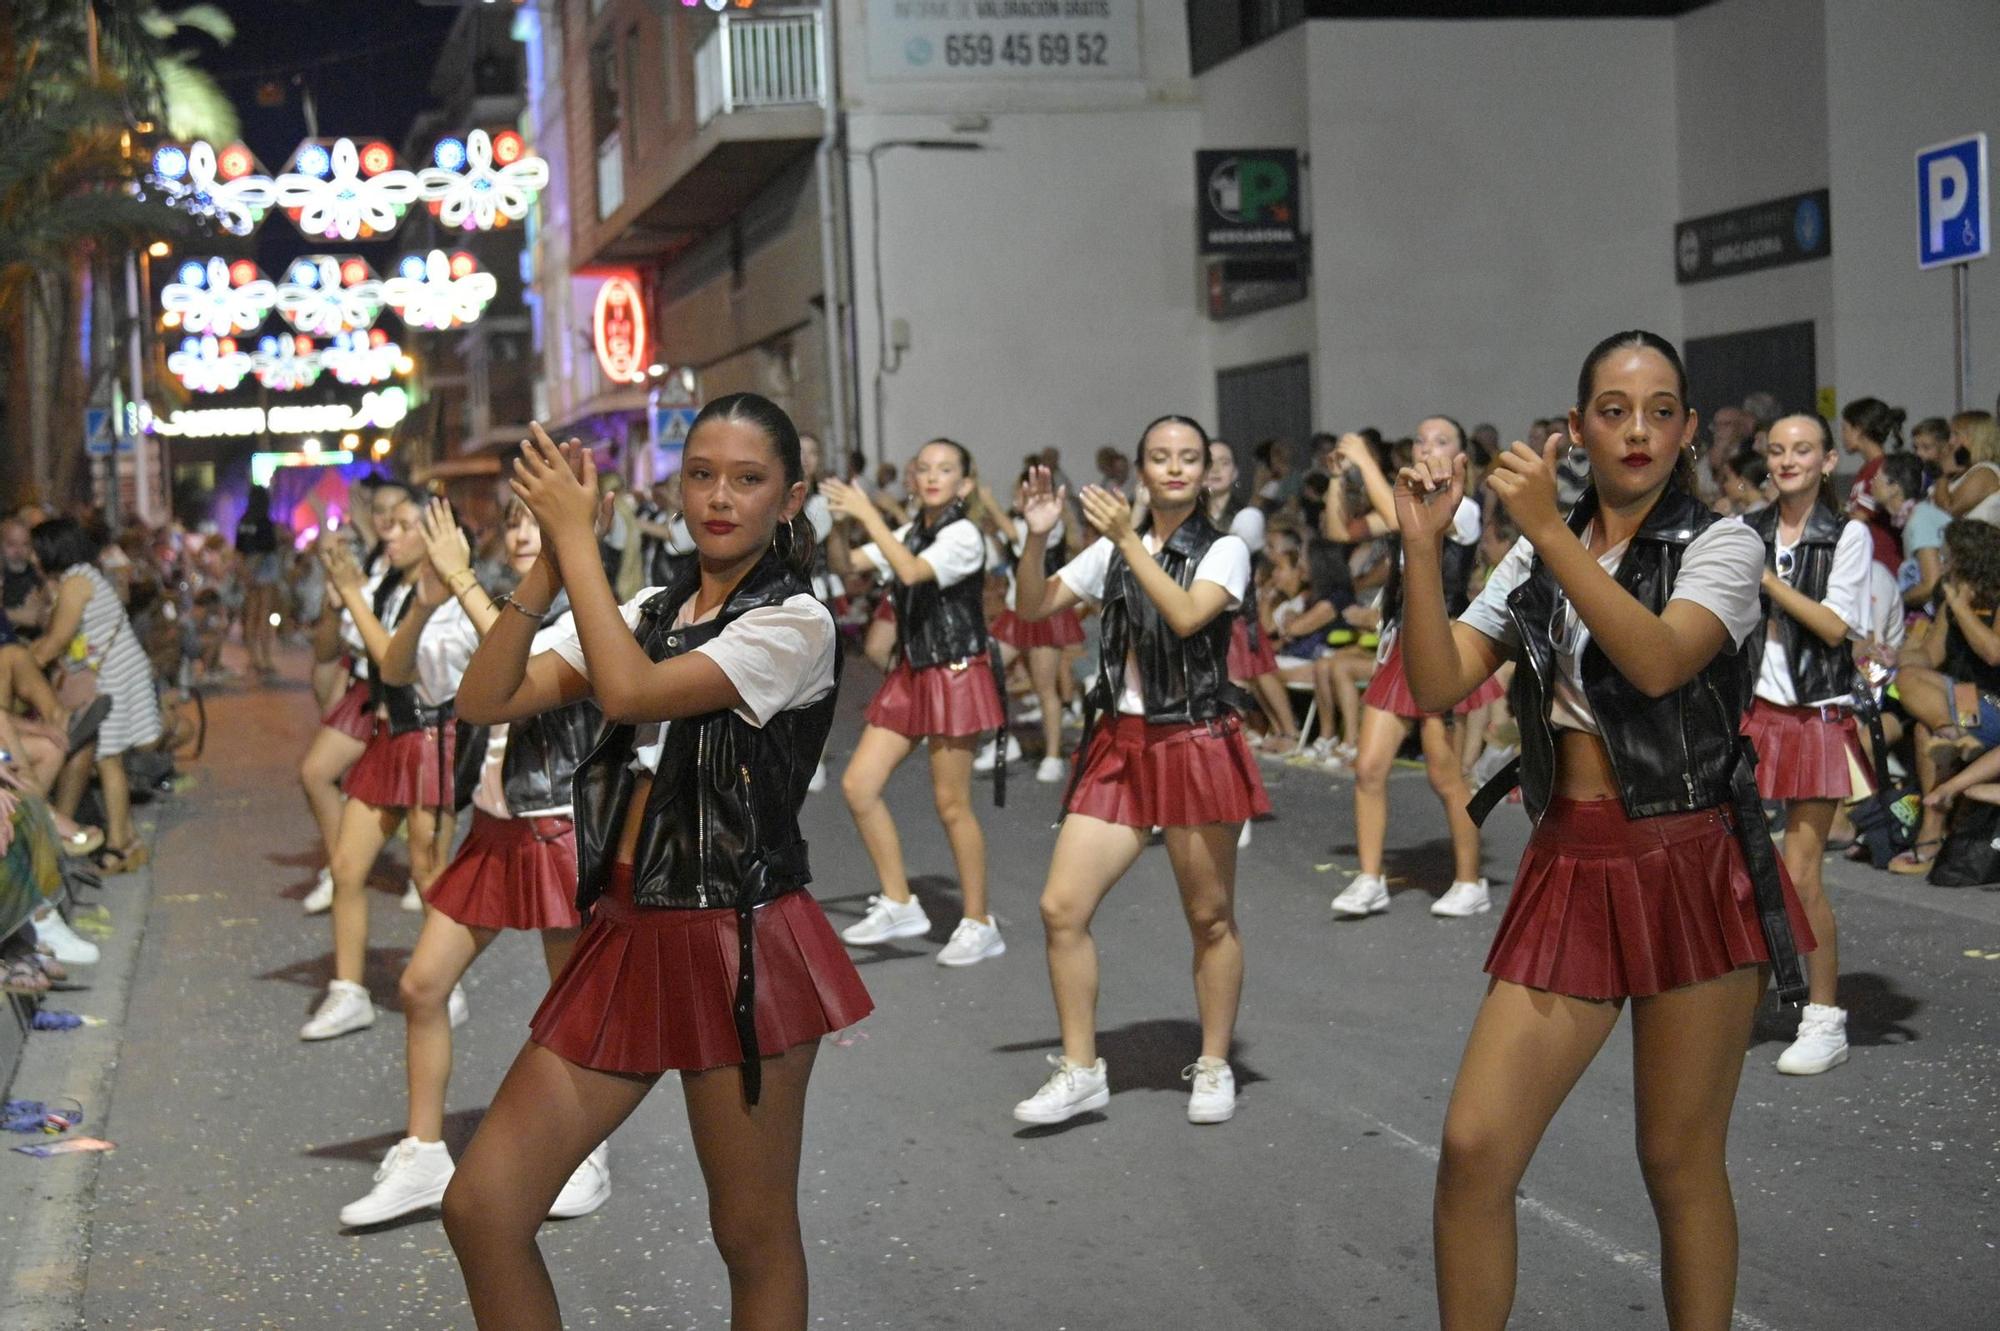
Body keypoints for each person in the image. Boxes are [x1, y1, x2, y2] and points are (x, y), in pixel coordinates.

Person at [1399, 330, 1813, 1331]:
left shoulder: (1723, 543)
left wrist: (1549, 532)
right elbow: (1438, 680)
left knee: (1676, 1159)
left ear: (1687, 429)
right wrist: (1418, 549)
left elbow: (1659, 660)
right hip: (1570, 858)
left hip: (1690, 857)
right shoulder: (1538, 547)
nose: (1637, 429)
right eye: (1614, 409)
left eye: (1661, 410)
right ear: (1577, 425)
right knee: (1472, 1149)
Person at [440, 402, 869, 1331]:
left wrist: (577, 544)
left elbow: (630, 692)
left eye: (748, 479)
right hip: (625, 930)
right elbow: (485, 698)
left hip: (736, 938)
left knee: (751, 1238)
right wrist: (550, 566)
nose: (720, 496)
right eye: (701, 473)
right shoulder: (649, 610)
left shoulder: (794, 624)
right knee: (483, 1207)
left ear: (790, 497)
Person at [338, 497, 606, 1228]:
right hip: (492, 828)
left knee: (567, 1006)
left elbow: (527, 673)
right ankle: (424, 1155)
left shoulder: (592, 611)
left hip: (556, 827)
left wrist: (460, 581)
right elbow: (397, 671)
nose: (520, 533)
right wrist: (429, 597)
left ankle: (587, 1152)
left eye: (536, 522)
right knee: (422, 985)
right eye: (514, 522)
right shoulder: (497, 603)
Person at [1007, 416, 1268, 1126]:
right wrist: (1036, 535)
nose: (1175, 467)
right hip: (1120, 742)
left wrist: (1125, 538)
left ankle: (1213, 1063)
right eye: (1161, 456)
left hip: (1193, 740)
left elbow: (1185, 616)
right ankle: (1081, 1069)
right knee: (1061, 908)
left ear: (1206, 472)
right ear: (1143, 471)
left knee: (1209, 917)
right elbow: (1031, 607)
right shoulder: (1113, 547)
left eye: (1189, 457)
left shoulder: (1224, 549)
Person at [300, 497, 482, 1041]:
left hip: (431, 736)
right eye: (390, 524)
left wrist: (354, 596)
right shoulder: (387, 585)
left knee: (428, 871)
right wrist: (339, 595)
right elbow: (330, 648)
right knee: (345, 866)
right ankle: (348, 992)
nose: (389, 534)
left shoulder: (447, 597)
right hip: (388, 737)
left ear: (436, 537)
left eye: (405, 526)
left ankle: (444, 981)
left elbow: (394, 662)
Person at [821, 440, 1008, 967]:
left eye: (945, 469)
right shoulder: (912, 532)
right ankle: (900, 902)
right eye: (924, 468)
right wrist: (840, 524)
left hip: (955, 672)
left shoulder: (964, 534)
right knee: (859, 785)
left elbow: (909, 572)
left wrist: (868, 515)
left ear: (964, 485)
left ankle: (980, 922)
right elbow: (848, 566)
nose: (932, 476)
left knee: (952, 805)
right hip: (914, 670)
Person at [1326, 420, 1501, 920]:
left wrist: (1365, 459)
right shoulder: (1403, 500)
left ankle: (1470, 880)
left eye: (1442, 441)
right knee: (1368, 768)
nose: (1428, 448)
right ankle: (1369, 879)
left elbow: (1404, 521)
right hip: (1400, 645)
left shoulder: (1464, 508)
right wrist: (1340, 477)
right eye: (1421, 440)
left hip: (1444, 647)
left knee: (1445, 775)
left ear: (1462, 456)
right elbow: (1339, 530)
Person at [1741, 416, 1872, 1077]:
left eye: (1802, 449)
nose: (1788, 459)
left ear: (1827, 460)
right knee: (1741, 868)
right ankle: (1743, 1000)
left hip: (1815, 713)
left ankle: (1824, 1018)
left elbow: (1833, 626)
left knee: (1800, 872)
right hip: (1754, 711)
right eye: (1777, 450)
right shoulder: (1747, 529)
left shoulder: (1847, 534)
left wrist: (1765, 581)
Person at [298, 478, 418, 915]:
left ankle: (424, 878)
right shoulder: (374, 559)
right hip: (367, 687)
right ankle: (342, 869)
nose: (387, 522)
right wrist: (338, 599)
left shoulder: (418, 569)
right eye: (379, 512)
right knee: (316, 772)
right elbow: (330, 647)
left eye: (397, 514)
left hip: (412, 696)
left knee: (414, 796)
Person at [27, 517, 162, 874]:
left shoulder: (76, 583)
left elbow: (56, 641)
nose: (32, 557)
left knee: (108, 760)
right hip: (117, 669)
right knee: (109, 758)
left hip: (113, 675)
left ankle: (117, 846)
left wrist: (19, 667)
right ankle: (130, 841)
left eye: (36, 549)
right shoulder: (83, 576)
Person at [992, 465, 1086, 783]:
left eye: (1031, 494)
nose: (1024, 498)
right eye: (1022, 493)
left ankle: (1052, 756)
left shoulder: (1050, 526)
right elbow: (1004, 552)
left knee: (1045, 687)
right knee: (987, 670)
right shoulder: (1017, 522)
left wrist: (987, 502)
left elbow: (1018, 538)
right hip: (1014, 613)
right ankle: (1004, 740)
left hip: (1045, 612)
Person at [1838, 398, 1907, 570]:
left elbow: (1863, 517)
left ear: (1858, 430)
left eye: (1845, 429)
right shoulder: (1866, 470)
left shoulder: (1882, 469)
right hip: (1867, 561)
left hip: (1882, 563)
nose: (1842, 435)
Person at [235, 485, 282, 679]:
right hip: (264, 569)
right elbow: (265, 549)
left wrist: (245, 572)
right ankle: (265, 658)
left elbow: (239, 549)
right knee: (264, 615)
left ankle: (253, 657)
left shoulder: (243, 521)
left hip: (247, 568)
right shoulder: (264, 522)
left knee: (251, 615)